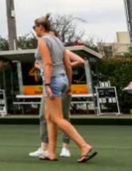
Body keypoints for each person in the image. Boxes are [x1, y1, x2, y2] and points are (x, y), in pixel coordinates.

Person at [32, 16, 96, 163]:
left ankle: (83, 145)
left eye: (35, 27)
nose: (34, 30)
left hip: (53, 80)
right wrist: (68, 84)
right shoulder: (57, 41)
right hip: (61, 78)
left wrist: (47, 84)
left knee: (57, 118)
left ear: (41, 27)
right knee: (50, 117)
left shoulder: (43, 41)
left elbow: (48, 64)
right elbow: (67, 64)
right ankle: (51, 152)